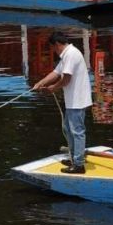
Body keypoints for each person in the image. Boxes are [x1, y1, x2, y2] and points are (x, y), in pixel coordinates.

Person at [33, 32, 93, 174]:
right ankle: (74, 156)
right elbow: (56, 73)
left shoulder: (71, 54)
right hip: (72, 100)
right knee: (68, 128)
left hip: (78, 100)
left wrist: (53, 88)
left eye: (53, 48)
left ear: (57, 45)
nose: (53, 51)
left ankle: (79, 164)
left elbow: (66, 79)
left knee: (77, 131)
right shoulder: (66, 55)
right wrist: (39, 83)